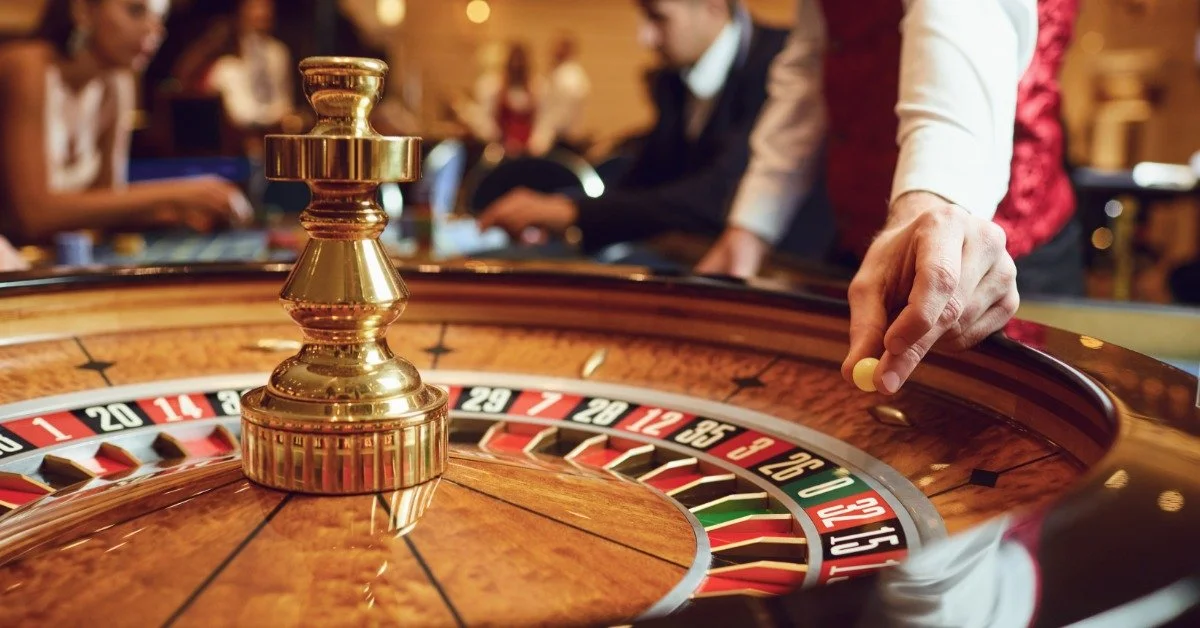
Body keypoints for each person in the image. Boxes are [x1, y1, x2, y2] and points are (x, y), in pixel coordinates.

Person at [695, 0, 1082, 395]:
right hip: (872, 246)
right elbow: (819, 54)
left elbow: (965, 15)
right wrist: (752, 225)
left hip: (1006, 252)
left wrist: (930, 205)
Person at [478, 0, 798, 257]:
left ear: (712, 6)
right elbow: (643, 183)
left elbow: (718, 196)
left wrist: (570, 211)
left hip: (793, 274)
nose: (644, 38)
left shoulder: (782, 63)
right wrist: (557, 209)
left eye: (658, 17)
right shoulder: (674, 78)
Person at [0, 0, 252, 245]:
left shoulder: (117, 83)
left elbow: (106, 207)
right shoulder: (26, 66)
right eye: (135, 10)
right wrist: (179, 194)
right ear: (83, 9)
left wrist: (180, 210)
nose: (154, 30)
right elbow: (32, 215)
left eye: (160, 18)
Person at [180, 0, 294, 132]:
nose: (261, 14)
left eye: (266, 8)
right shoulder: (226, 66)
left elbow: (284, 100)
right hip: (230, 136)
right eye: (254, 7)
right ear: (241, 13)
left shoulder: (277, 53)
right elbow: (242, 115)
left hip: (272, 128)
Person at [528, 34, 591, 157]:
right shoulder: (567, 74)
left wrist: (543, 139)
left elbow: (560, 115)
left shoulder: (568, 77)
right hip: (559, 137)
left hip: (559, 140)